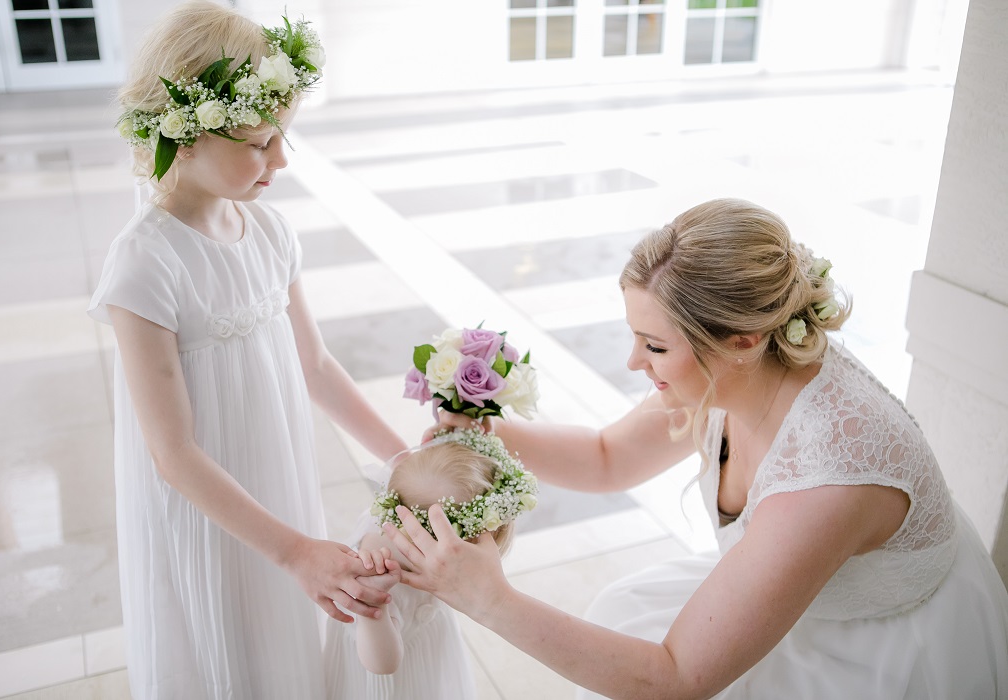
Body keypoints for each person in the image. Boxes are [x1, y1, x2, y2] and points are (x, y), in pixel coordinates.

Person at [385, 198, 1008, 699]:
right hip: (800, 592)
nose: (635, 362)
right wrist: (486, 434)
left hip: (879, 650)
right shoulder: (741, 370)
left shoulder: (829, 475)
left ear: (742, 339)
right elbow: (609, 457)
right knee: (615, 620)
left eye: (654, 346)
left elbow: (677, 679)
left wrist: (489, 598)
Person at [86, 2, 406, 697]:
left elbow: (315, 366)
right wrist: (294, 552)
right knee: (224, 635)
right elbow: (173, 456)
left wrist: (402, 459)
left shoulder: (267, 232)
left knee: (279, 640)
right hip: (208, 502)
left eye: (283, 135)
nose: (282, 159)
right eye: (261, 140)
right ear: (188, 135)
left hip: (274, 475)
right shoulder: (145, 265)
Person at [324, 428, 537, 700]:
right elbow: (381, 665)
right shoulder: (376, 578)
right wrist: (373, 610)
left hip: (428, 645)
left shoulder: (392, 515)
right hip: (393, 672)